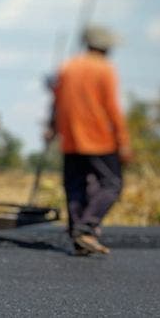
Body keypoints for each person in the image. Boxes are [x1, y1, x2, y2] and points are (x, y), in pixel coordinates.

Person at [49, 24, 133, 256]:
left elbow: (56, 103)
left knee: (75, 185)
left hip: (70, 139)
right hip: (98, 138)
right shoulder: (104, 69)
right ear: (105, 46)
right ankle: (86, 228)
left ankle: (78, 235)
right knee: (111, 184)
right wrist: (123, 140)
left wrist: (52, 128)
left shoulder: (67, 67)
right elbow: (112, 108)